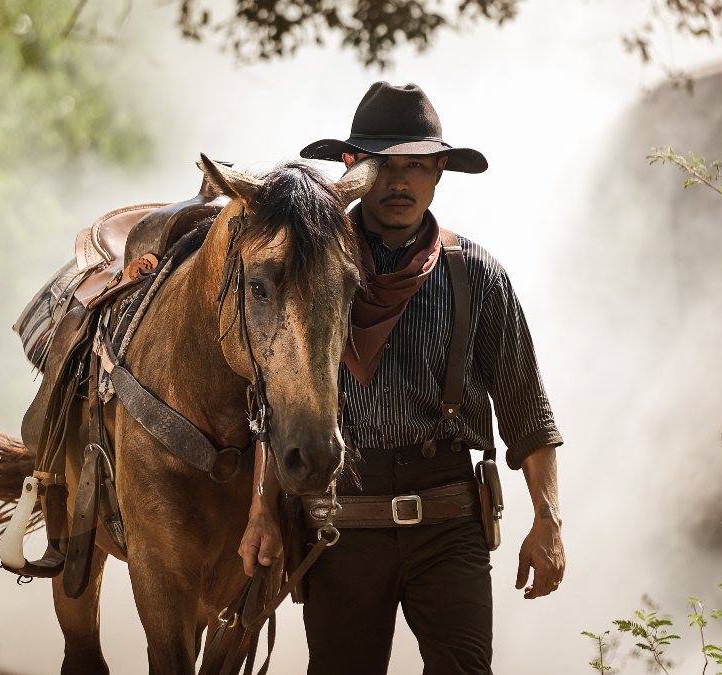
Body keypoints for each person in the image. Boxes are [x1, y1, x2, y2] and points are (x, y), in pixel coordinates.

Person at [238, 81, 566, 675]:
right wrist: (263, 511)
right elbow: (273, 400)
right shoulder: (303, 269)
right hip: (341, 519)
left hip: (449, 521)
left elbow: (528, 413)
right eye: (383, 165)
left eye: (417, 165)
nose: (398, 181)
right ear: (352, 169)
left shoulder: (477, 274)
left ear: (440, 172)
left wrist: (548, 521)